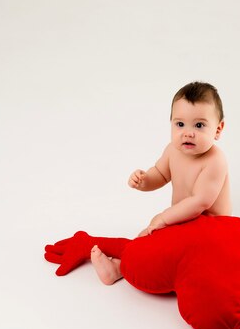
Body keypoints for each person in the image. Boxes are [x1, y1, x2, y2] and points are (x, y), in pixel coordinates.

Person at [91, 81, 231, 284]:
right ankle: (119, 267)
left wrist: (164, 219)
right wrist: (144, 181)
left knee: (164, 247)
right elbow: (160, 174)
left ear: (218, 129)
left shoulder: (215, 160)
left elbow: (201, 202)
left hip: (210, 227)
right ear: (171, 123)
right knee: (147, 237)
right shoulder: (173, 151)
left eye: (199, 125)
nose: (188, 132)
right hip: (181, 219)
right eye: (180, 124)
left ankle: (127, 267)